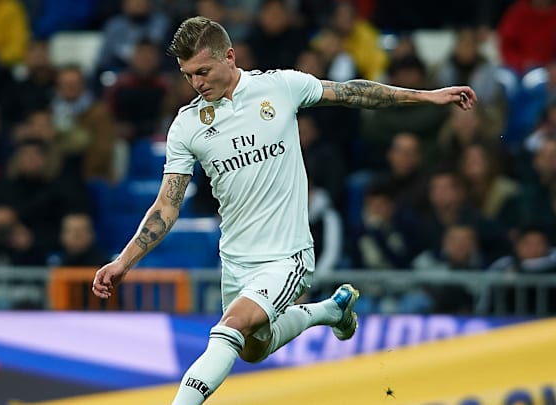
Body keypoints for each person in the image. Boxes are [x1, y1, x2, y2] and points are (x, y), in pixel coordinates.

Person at [91, 16, 477, 404]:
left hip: (287, 255)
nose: (197, 83)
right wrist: (123, 262)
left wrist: (425, 96)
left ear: (229, 56)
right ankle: (329, 311)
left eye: (203, 71)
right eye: (189, 75)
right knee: (251, 349)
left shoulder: (278, 86)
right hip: (236, 261)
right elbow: (166, 208)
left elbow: (352, 93)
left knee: (232, 325)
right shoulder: (187, 126)